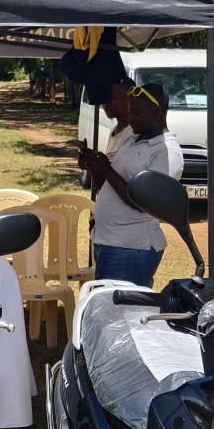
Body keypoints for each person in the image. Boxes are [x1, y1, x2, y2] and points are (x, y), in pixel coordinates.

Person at [79, 82, 183, 288]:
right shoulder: (133, 141)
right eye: (129, 112)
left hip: (131, 249)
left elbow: (145, 203)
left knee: (124, 309)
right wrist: (95, 167)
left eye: (135, 113)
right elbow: (109, 186)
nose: (130, 118)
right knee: (106, 306)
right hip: (109, 242)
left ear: (156, 112)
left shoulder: (167, 152)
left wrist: (107, 170)